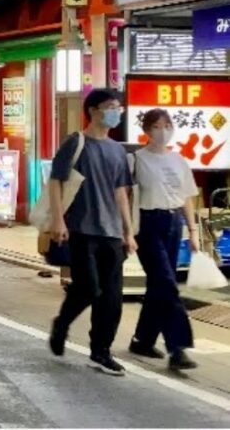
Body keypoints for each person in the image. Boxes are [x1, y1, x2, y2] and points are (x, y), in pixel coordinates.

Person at [47, 88, 136, 377]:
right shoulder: (76, 143)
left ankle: (101, 352)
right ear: (94, 110)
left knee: (111, 297)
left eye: (119, 108)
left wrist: (128, 230)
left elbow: (121, 192)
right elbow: (56, 181)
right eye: (111, 107)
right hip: (81, 229)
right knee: (89, 288)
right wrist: (59, 220)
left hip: (111, 233)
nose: (116, 112)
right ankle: (62, 324)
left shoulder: (117, 150)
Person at [129, 108, 199, 371]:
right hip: (148, 223)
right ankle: (178, 348)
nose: (163, 130)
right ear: (147, 131)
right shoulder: (136, 160)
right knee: (167, 284)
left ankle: (143, 339)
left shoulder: (179, 160)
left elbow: (187, 197)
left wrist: (192, 232)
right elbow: (124, 196)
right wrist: (126, 231)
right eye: (157, 126)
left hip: (173, 223)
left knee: (159, 285)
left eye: (167, 125)